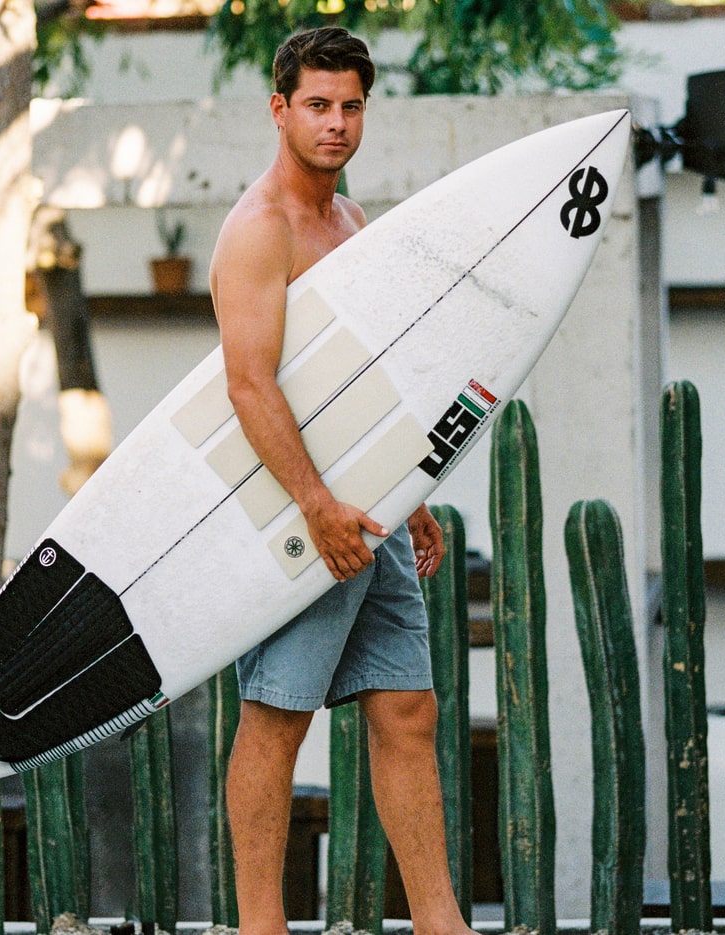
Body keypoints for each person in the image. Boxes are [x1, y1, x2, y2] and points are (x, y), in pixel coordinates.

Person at [208, 26, 479, 935]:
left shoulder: (351, 221)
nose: (335, 124)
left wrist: (414, 491)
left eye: (350, 106)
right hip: (300, 514)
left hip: (374, 512)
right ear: (279, 108)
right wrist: (317, 505)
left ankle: (443, 922)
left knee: (407, 707)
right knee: (276, 716)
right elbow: (250, 385)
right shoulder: (258, 232)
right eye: (317, 106)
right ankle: (260, 926)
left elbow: (363, 377)